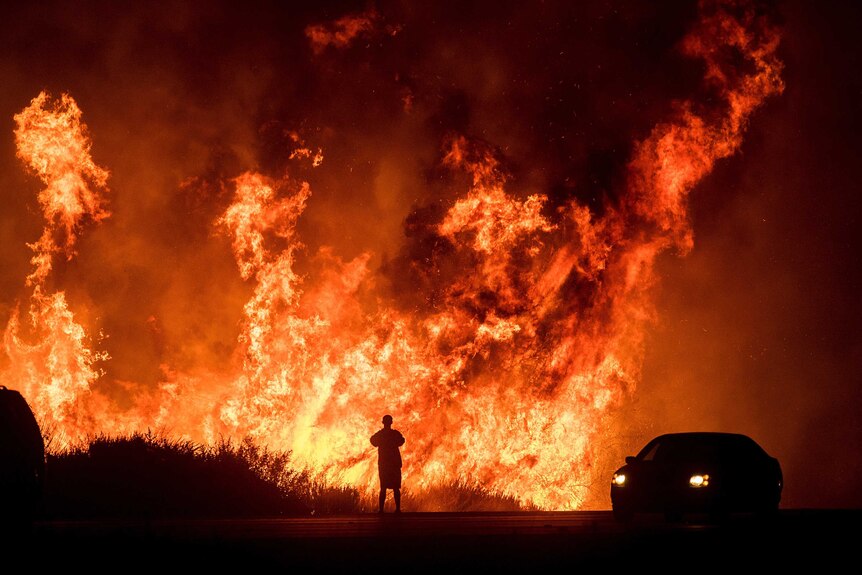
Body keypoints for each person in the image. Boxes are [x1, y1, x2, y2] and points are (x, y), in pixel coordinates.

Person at [370, 414, 405, 513]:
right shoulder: (395, 434)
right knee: (396, 488)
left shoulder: (380, 434)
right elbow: (402, 441)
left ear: (383, 422)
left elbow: (372, 441)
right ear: (391, 422)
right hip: (394, 464)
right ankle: (397, 509)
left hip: (384, 464)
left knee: (383, 487)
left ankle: (381, 510)